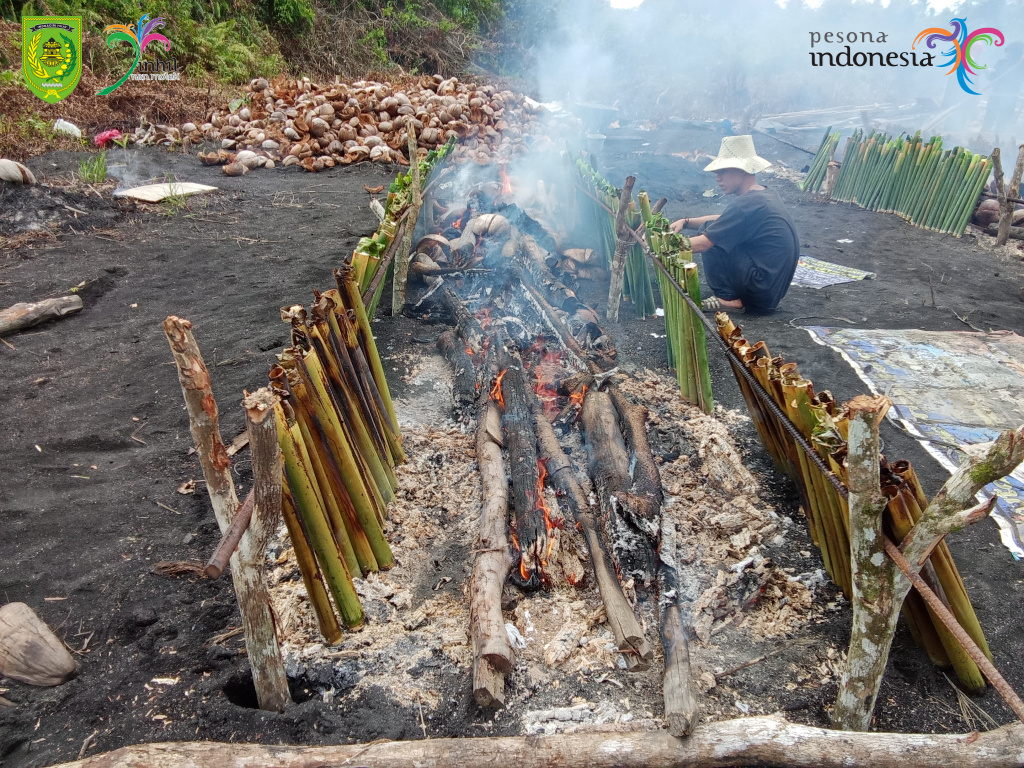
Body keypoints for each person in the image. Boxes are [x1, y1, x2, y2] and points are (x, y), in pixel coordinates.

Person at [672, 135, 799, 313]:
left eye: (723, 172)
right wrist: (685, 222)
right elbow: (725, 219)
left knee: (712, 236)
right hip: (771, 290)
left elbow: (704, 243)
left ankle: (728, 299)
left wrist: (661, 245)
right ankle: (735, 295)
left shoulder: (746, 204)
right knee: (714, 228)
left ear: (741, 170)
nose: (718, 178)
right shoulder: (763, 194)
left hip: (760, 288)